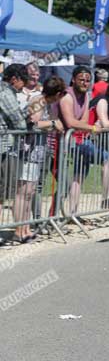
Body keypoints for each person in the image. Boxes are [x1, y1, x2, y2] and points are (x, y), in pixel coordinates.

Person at [52, 66, 109, 215]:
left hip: (79, 139)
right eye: (81, 80)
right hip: (67, 141)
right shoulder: (67, 96)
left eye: (87, 80)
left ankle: (72, 213)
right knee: (108, 160)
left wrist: (87, 127)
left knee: (78, 176)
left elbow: (84, 121)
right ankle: (106, 198)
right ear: (73, 80)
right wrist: (90, 128)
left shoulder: (86, 96)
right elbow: (71, 123)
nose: (85, 83)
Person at [12, 77, 67, 243]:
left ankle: (25, 228)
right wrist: (52, 122)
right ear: (57, 93)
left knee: (29, 192)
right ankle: (19, 230)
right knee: (24, 192)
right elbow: (33, 123)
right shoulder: (38, 101)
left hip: (36, 152)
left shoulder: (44, 102)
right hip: (28, 152)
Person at [0, 64, 31, 245]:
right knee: (1, 194)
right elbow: (19, 123)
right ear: (14, 79)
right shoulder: (5, 93)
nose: (23, 86)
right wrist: (29, 114)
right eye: (23, 81)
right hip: (2, 147)